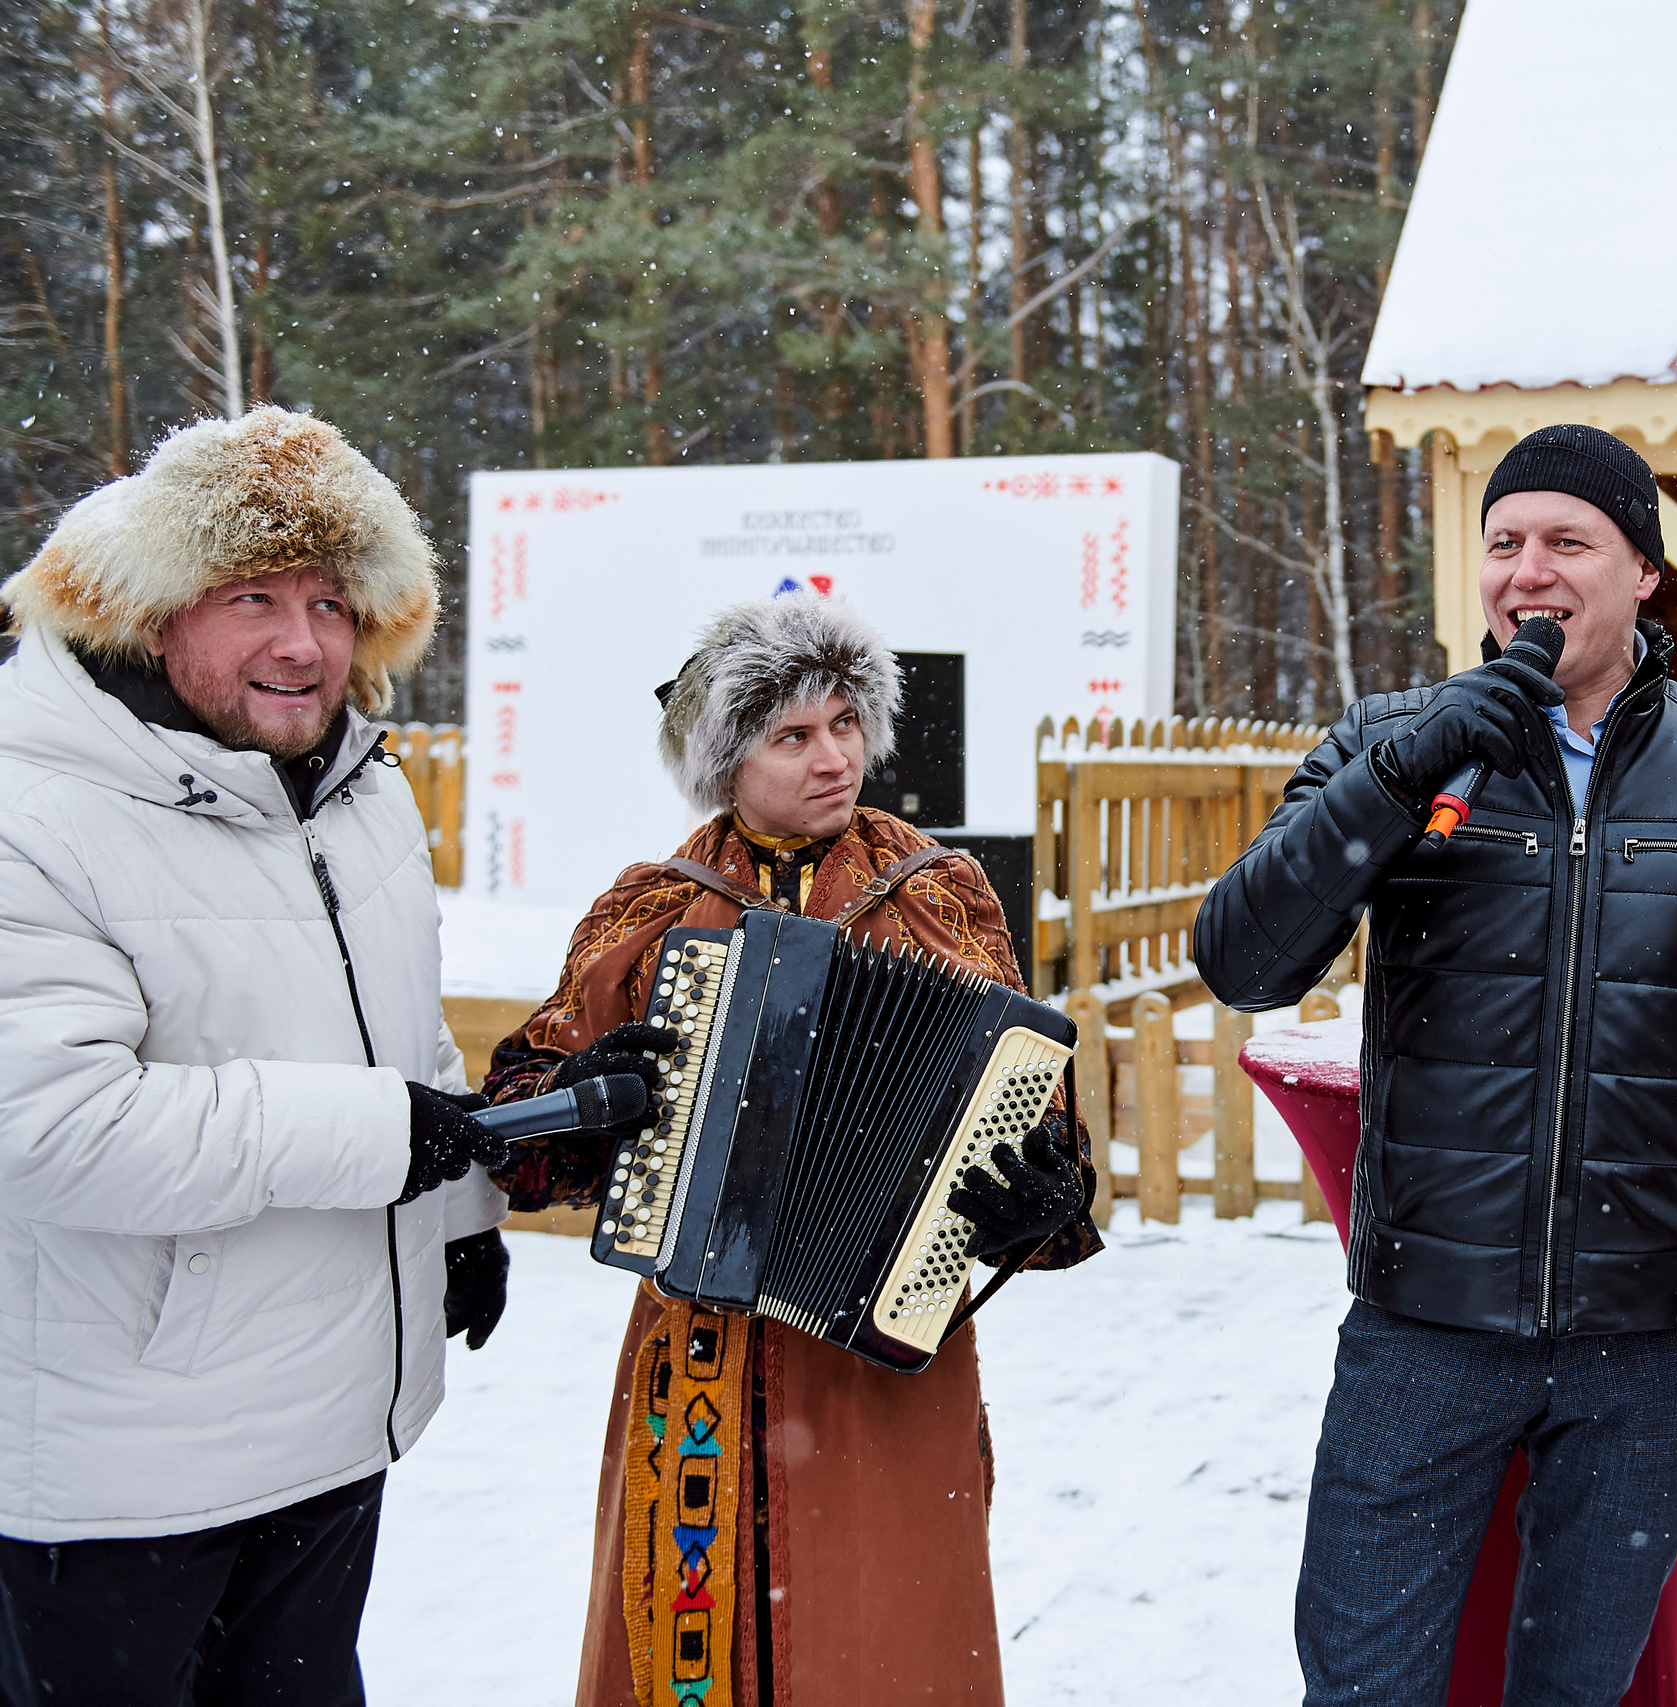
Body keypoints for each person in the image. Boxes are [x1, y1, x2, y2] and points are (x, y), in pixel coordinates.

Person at [1195, 424, 1677, 1706]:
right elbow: (1243, 960)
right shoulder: (1393, 742)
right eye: (1504, 543)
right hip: (1423, 1327)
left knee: (1577, 1692)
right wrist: (1396, 778)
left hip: (1650, 1339)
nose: (1529, 572)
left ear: (1644, 573)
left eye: (1569, 542)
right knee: (1362, 1689)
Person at [484, 592, 1100, 1707]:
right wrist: (586, 1100)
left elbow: (1037, 1103)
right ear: (727, 761)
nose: (835, 758)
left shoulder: (940, 892)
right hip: (698, 1352)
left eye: (846, 724)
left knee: (892, 1634)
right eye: (793, 735)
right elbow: (525, 1126)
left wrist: (1040, 1197)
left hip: (889, 1347)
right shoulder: (653, 907)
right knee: (692, 1648)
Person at [0, 407, 511, 1706]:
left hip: (332, 1436)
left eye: (335, 602)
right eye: (255, 596)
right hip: (119, 1484)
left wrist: (458, 1215)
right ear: (160, 608)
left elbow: (402, 1042)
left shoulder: (358, 787)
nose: (303, 641)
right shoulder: (32, 808)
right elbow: (54, 1126)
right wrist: (389, 1136)